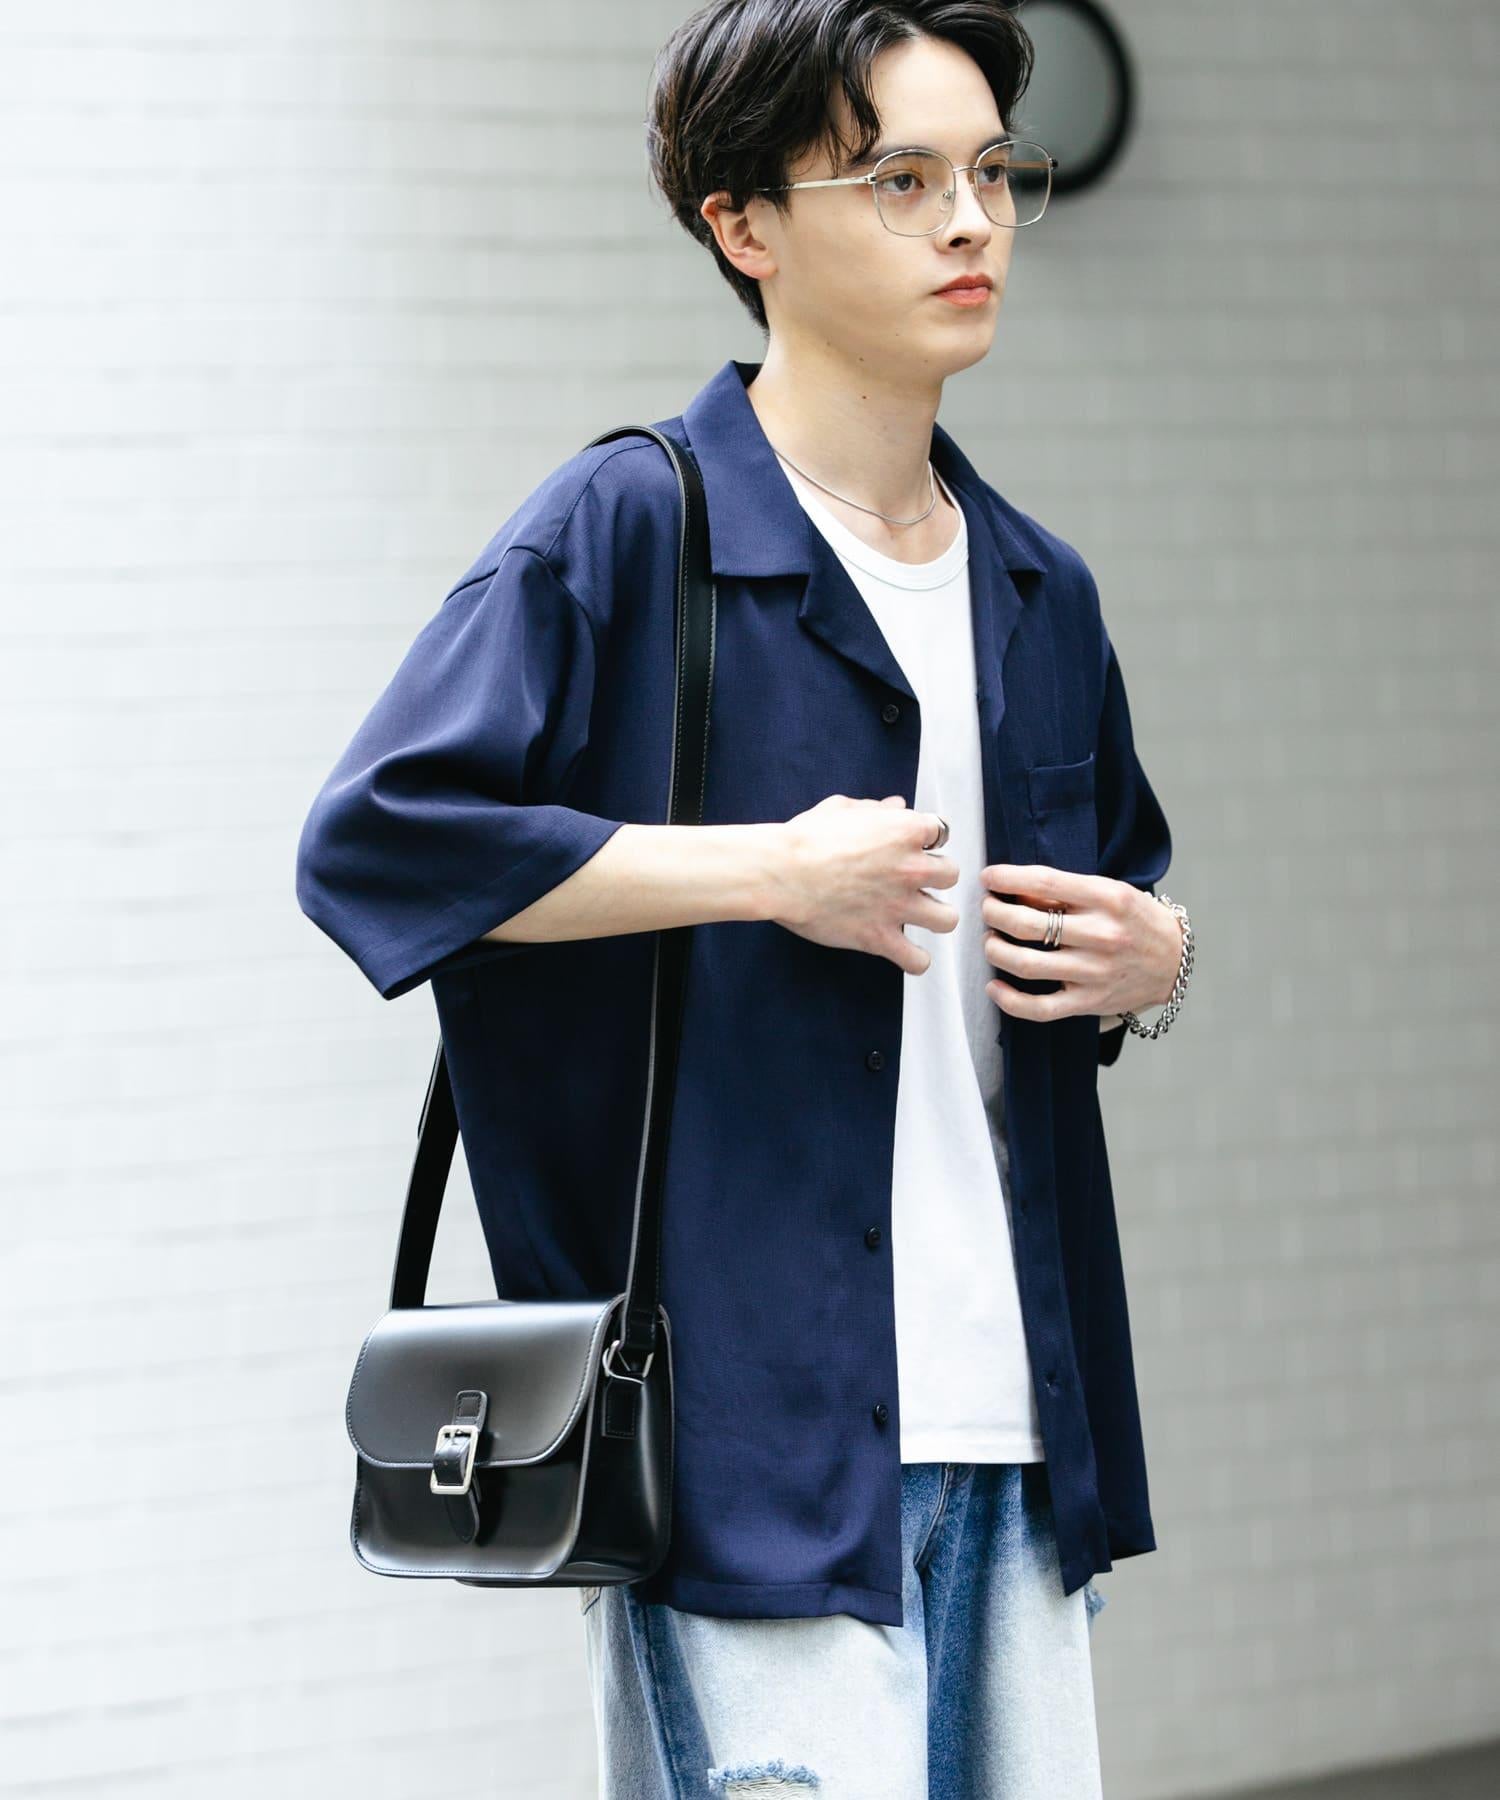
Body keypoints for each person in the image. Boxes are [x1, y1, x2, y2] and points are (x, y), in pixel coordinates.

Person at [295, 3, 1190, 1793]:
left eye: (992, 174)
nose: (972, 222)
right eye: (902, 179)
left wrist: (1159, 959)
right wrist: (770, 872)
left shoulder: (1041, 591)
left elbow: (1117, 912)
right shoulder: (632, 527)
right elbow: (381, 839)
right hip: (743, 1445)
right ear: (745, 222)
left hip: (1024, 1427)